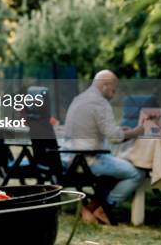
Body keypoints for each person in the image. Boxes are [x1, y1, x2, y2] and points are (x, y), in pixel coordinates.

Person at [63, 70, 147, 224]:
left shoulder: (79, 99)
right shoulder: (100, 103)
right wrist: (137, 131)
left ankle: (89, 208)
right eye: (113, 90)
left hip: (71, 159)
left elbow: (98, 130)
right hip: (90, 160)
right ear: (104, 85)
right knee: (137, 173)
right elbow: (115, 138)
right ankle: (106, 208)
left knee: (119, 167)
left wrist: (122, 131)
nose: (113, 94)